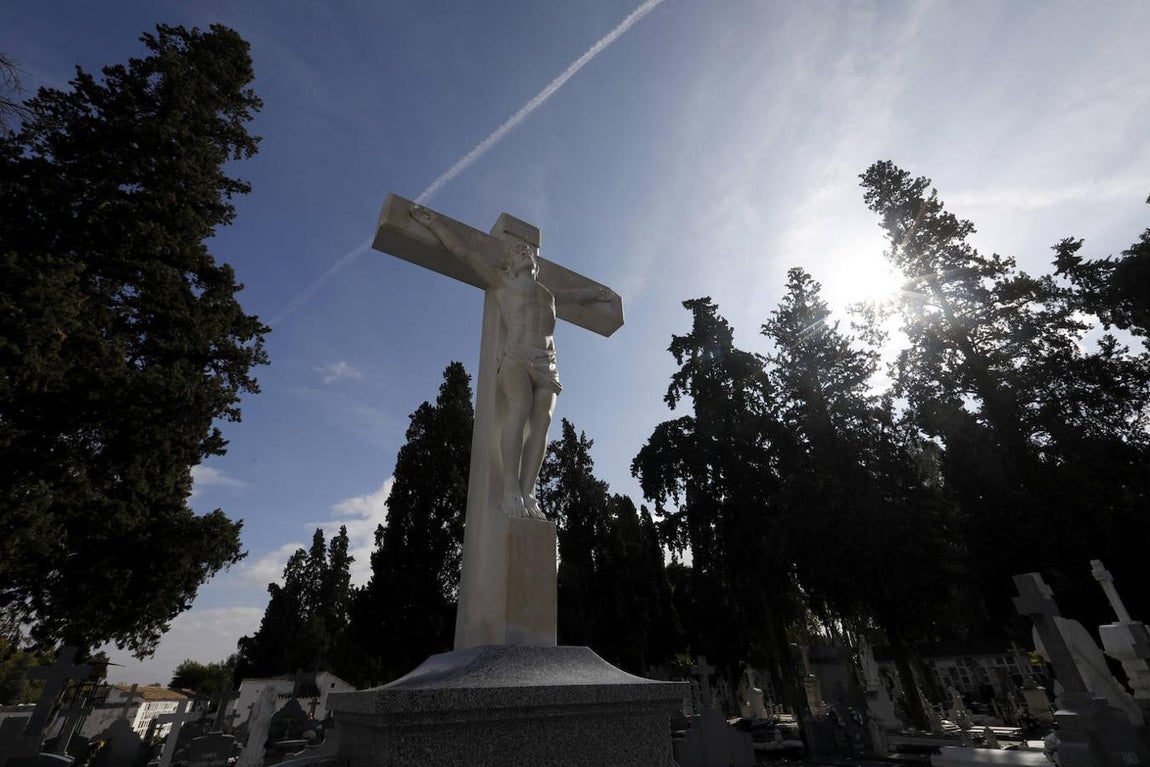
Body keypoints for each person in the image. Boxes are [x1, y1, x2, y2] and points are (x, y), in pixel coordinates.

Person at [410, 204, 612, 519]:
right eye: (517, 253)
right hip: (516, 353)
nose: (523, 254)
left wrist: (599, 294)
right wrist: (434, 224)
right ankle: (510, 488)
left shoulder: (548, 294)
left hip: (547, 361)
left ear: (534, 262)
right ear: (509, 262)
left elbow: (578, 294)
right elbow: (463, 252)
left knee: (542, 421)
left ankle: (528, 491)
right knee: (518, 410)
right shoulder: (502, 282)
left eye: (526, 253)